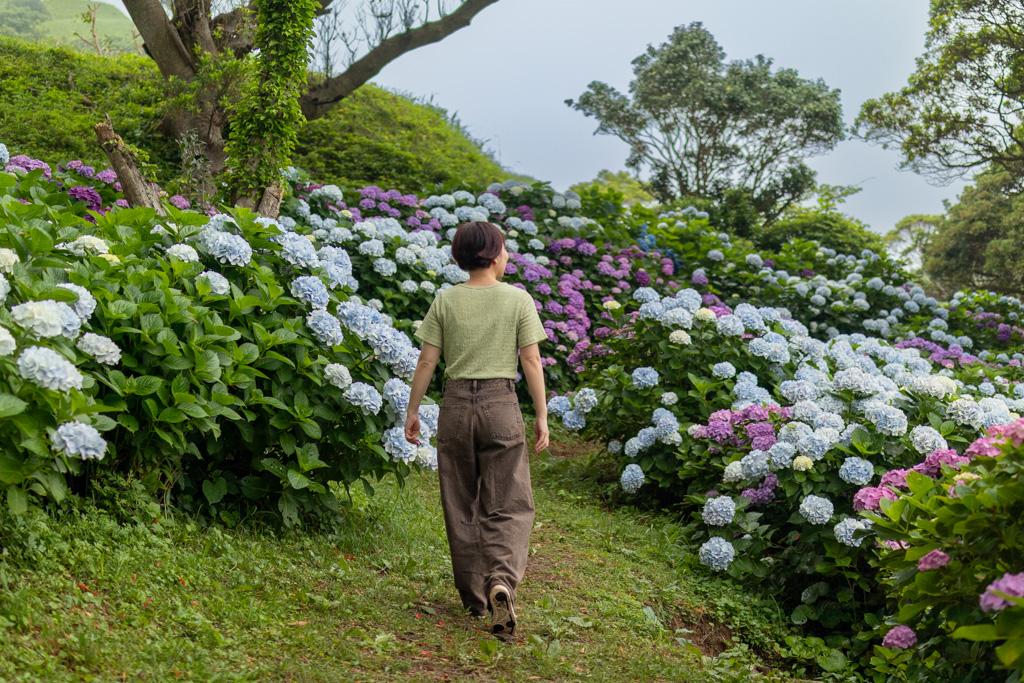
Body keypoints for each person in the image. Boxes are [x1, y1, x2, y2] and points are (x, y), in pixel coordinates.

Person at [404, 220, 550, 641]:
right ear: (494, 254)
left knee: (460, 501)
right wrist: (541, 415)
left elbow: (427, 360)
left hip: (454, 407)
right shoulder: (518, 300)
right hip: (500, 404)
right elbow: (531, 360)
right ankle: (501, 581)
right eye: (504, 248)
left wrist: (413, 410)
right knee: (510, 503)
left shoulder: (445, 299)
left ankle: (474, 598)